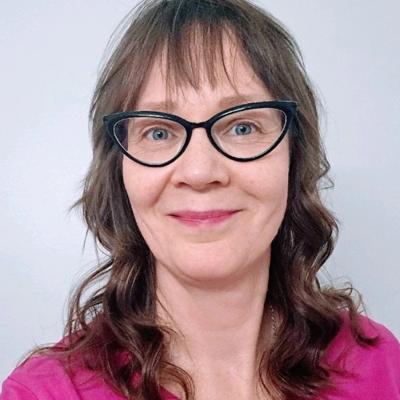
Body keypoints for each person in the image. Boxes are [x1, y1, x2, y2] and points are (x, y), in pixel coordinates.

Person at [1, 0, 399, 399]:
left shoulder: (382, 366)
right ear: (119, 172)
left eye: (242, 127)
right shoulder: (43, 393)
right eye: (159, 132)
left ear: (294, 157)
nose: (199, 172)